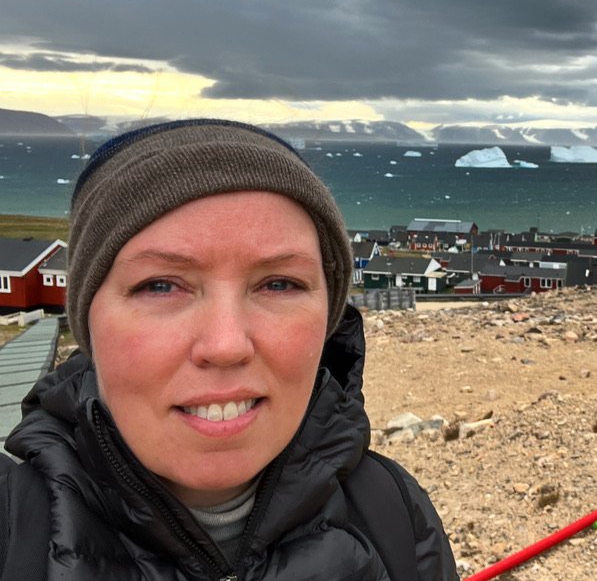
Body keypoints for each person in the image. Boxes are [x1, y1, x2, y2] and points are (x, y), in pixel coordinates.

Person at [0, 119, 459, 580]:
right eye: (160, 286)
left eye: (278, 284)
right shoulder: (11, 530)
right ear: (88, 321)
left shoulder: (393, 514)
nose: (226, 345)